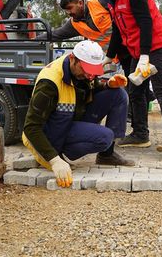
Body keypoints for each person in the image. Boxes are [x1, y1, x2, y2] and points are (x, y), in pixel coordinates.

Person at [51, 0, 162, 108]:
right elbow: (54, 34)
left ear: (80, 3)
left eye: (70, 9)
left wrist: (156, 29)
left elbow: (132, 9)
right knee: (135, 86)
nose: (69, 14)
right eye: (66, 12)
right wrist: (28, 36)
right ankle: (141, 120)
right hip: (124, 54)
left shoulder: (101, 3)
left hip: (142, 43)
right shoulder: (74, 24)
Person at [22, 40, 134, 188]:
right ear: (72, 59)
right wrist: (54, 160)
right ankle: (61, 152)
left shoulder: (83, 73)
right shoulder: (49, 83)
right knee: (105, 136)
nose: (90, 76)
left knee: (118, 94)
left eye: (92, 71)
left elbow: (89, 89)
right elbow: (30, 128)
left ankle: (107, 155)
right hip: (53, 132)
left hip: (71, 118)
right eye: (86, 70)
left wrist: (107, 85)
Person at [97, 0, 162, 153]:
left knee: (161, 91)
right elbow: (118, 30)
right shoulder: (113, 0)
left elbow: (146, 23)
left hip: (156, 49)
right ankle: (140, 134)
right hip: (137, 52)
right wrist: (108, 58)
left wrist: (145, 56)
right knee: (135, 92)